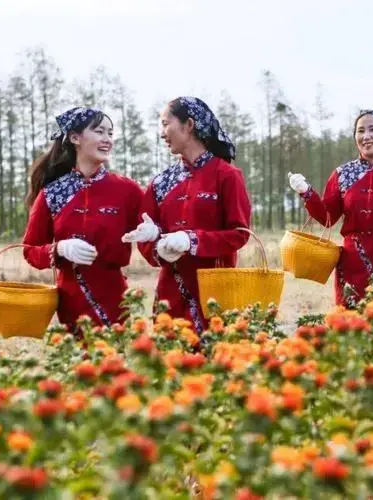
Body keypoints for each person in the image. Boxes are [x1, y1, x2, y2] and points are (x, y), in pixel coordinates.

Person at [123, 97, 251, 333]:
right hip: (169, 298)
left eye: (165, 123)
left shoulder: (227, 175)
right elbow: (147, 237)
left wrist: (192, 240)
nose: (162, 133)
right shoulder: (160, 182)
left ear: (189, 124)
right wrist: (157, 245)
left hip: (215, 297)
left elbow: (239, 234)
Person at [22, 107, 144, 332]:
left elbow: (154, 231)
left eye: (110, 133)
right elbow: (30, 250)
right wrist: (59, 249)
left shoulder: (128, 190)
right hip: (71, 302)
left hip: (117, 300)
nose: (107, 139)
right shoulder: (53, 193)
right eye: (99, 131)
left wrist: (153, 232)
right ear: (75, 137)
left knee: (117, 364)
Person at [287, 109, 373, 307]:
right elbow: (327, 217)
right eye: (360, 131)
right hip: (352, 261)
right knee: (349, 325)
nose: (366, 136)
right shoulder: (343, 174)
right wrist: (307, 192)